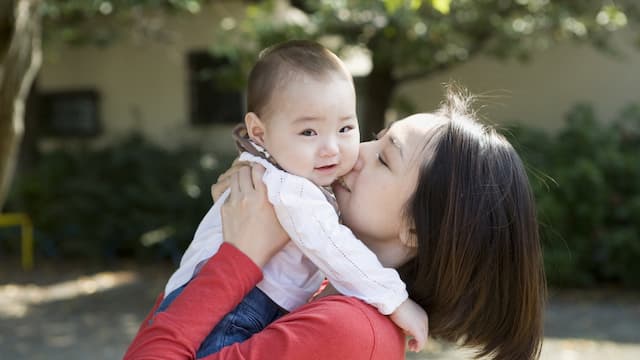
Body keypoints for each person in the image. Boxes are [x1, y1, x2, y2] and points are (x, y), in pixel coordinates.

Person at [124, 86, 547, 360]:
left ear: (416, 229)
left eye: (384, 157)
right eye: (375, 136)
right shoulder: (321, 283)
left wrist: (238, 258)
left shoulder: (350, 331)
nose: (354, 151)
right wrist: (220, 239)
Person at [156, 40, 428, 358]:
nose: (331, 148)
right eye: (309, 133)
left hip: (219, 299)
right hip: (235, 307)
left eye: (345, 128)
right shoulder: (291, 188)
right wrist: (396, 300)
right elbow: (332, 245)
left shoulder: (277, 171)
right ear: (259, 132)